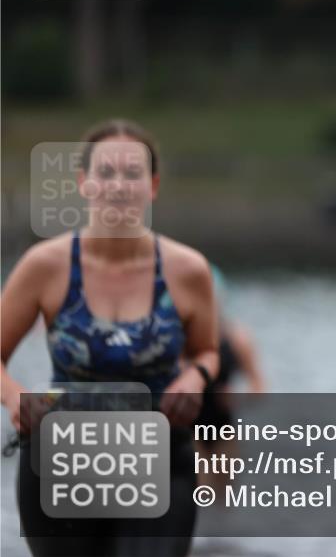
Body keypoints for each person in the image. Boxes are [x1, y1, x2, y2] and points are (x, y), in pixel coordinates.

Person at [0, 119, 219, 556]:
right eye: (106, 172)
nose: (119, 185)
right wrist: (15, 398)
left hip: (160, 453)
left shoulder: (188, 270)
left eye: (132, 173)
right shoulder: (45, 265)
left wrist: (196, 376)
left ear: (152, 186)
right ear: (84, 183)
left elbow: (208, 351)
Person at [195, 265, 266, 493]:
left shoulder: (237, 338)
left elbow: (259, 386)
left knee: (224, 495)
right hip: (189, 424)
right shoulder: (180, 337)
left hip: (223, 424)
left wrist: (238, 396)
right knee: (199, 488)